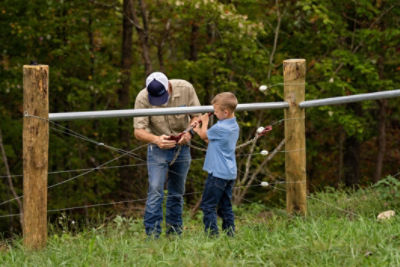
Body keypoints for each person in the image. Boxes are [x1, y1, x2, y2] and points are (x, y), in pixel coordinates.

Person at [133, 72, 200, 238]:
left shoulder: (186, 88)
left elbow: (197, 116)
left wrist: (189, 133)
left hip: (182, 147)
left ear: (168, 87)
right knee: (156, 190)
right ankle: (152, 236)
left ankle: (174, 234)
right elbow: (138, 131)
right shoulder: (142, 97)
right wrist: (156, 139)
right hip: (157, 149)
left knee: (177, 192)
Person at [193, 92, 239, 237]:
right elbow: (210, 140)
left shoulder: (220, 128)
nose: (214, 113)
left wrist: (204, 122)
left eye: (216, 111)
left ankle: (212, 236)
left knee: (208, 206)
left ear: (225, 112)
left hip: (217, 174)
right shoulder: (233, 125)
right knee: (225, 206)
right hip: (229, 173)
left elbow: (204, 136)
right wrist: (198, 129)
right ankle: (230, 234)